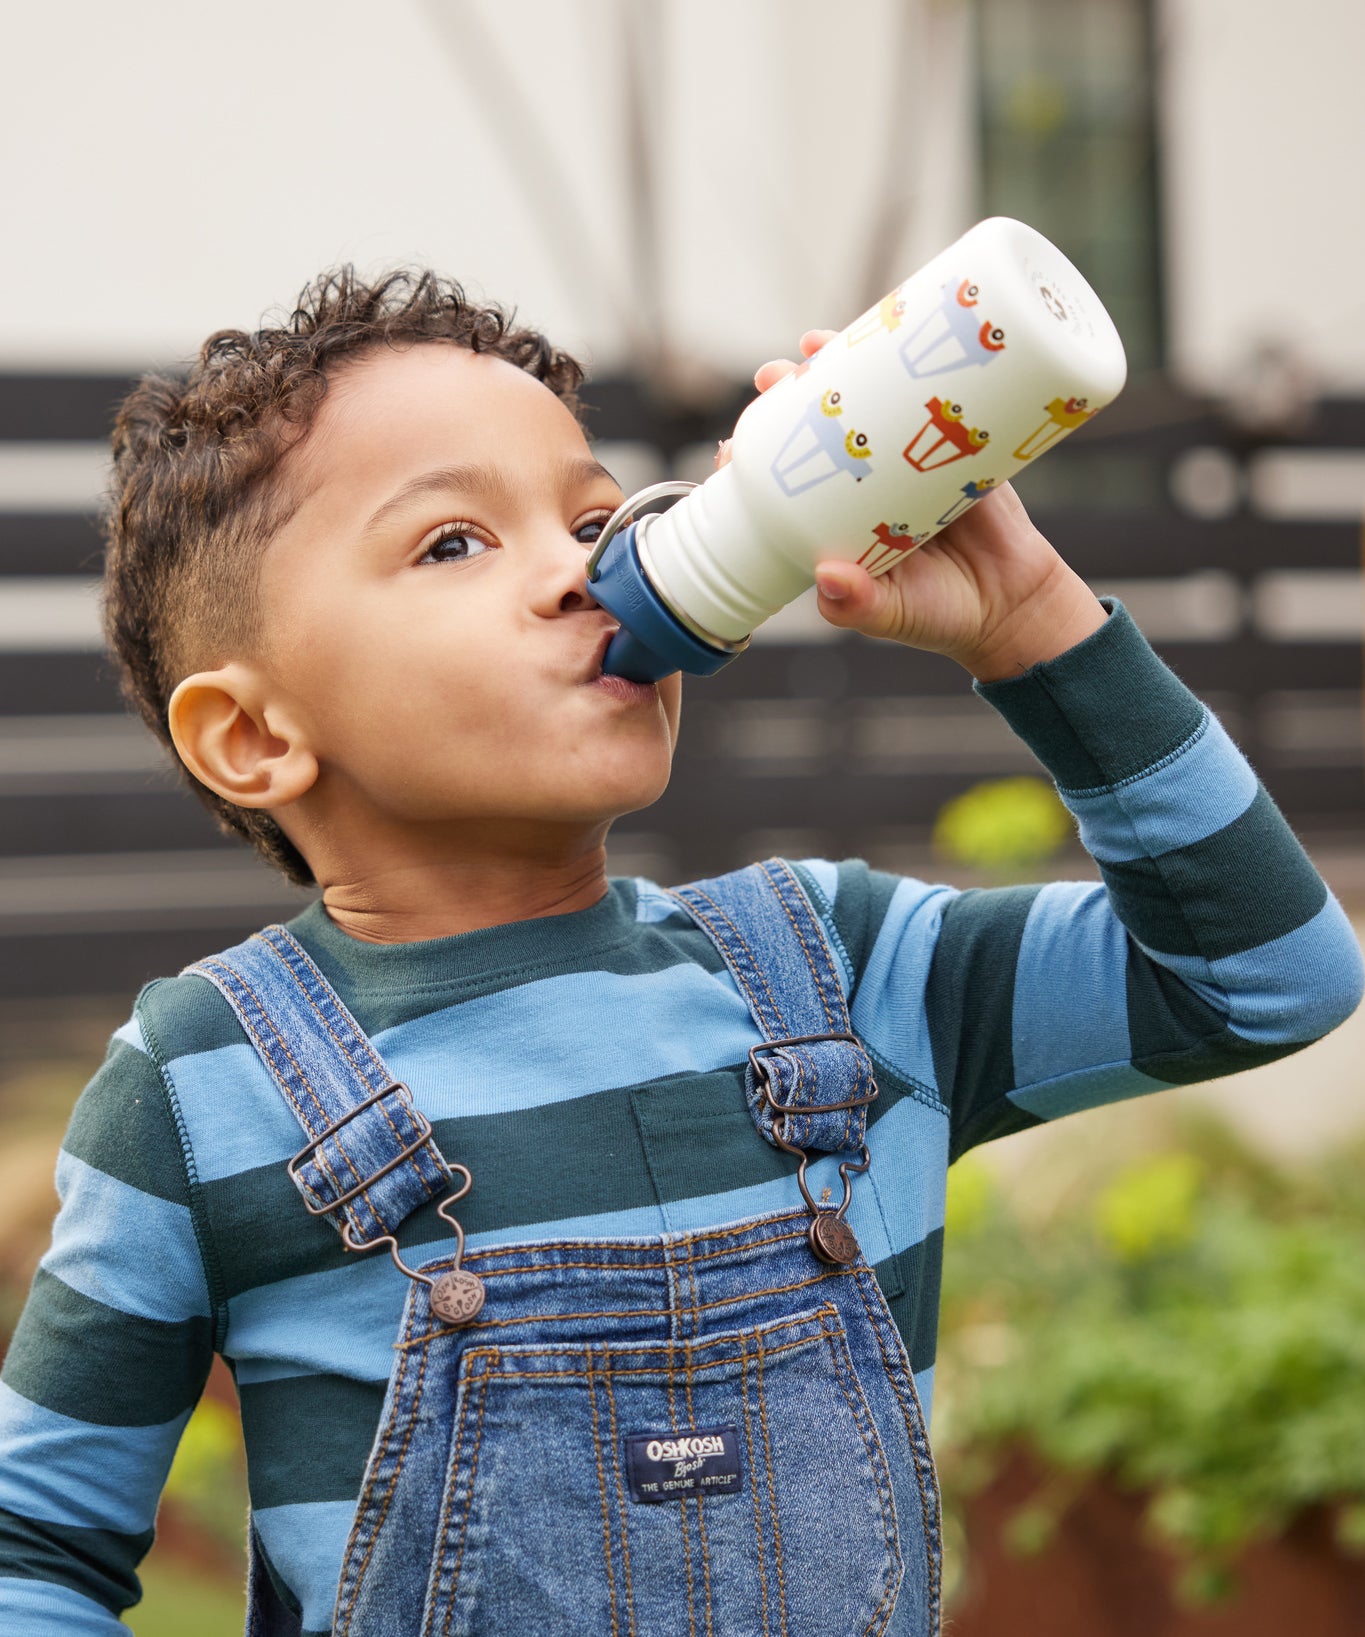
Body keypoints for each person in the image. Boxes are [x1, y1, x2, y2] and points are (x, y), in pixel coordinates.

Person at [0, 268, 1358, 1637]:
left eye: (596, 520)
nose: (582, 571)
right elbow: (35, 1554)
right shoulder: (203, 1088)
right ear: (253, 737)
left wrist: (1034, 623)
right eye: (454, 542)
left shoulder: (844, 972)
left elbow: (1265, 975)